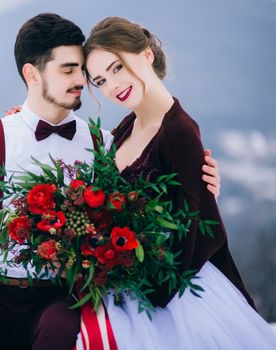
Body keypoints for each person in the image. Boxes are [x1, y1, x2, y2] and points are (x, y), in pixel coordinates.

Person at [0, 13, 221, 350]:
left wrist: (202, 180)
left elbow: (142, 203)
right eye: (68, 70)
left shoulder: (103, 144)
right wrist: (29, 253)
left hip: (64, 297)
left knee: (62, 328)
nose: (81, 79)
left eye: (81, 69)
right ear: (32, 74)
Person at [79, 16, 276, 349]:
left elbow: (203, 228)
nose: (111, 85)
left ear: (145, 55)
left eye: (117, 68)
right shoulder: (128, 126)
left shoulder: (179, 131)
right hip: (126, 279)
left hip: (175, 290)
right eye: (100, 80)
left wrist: (153, 289)